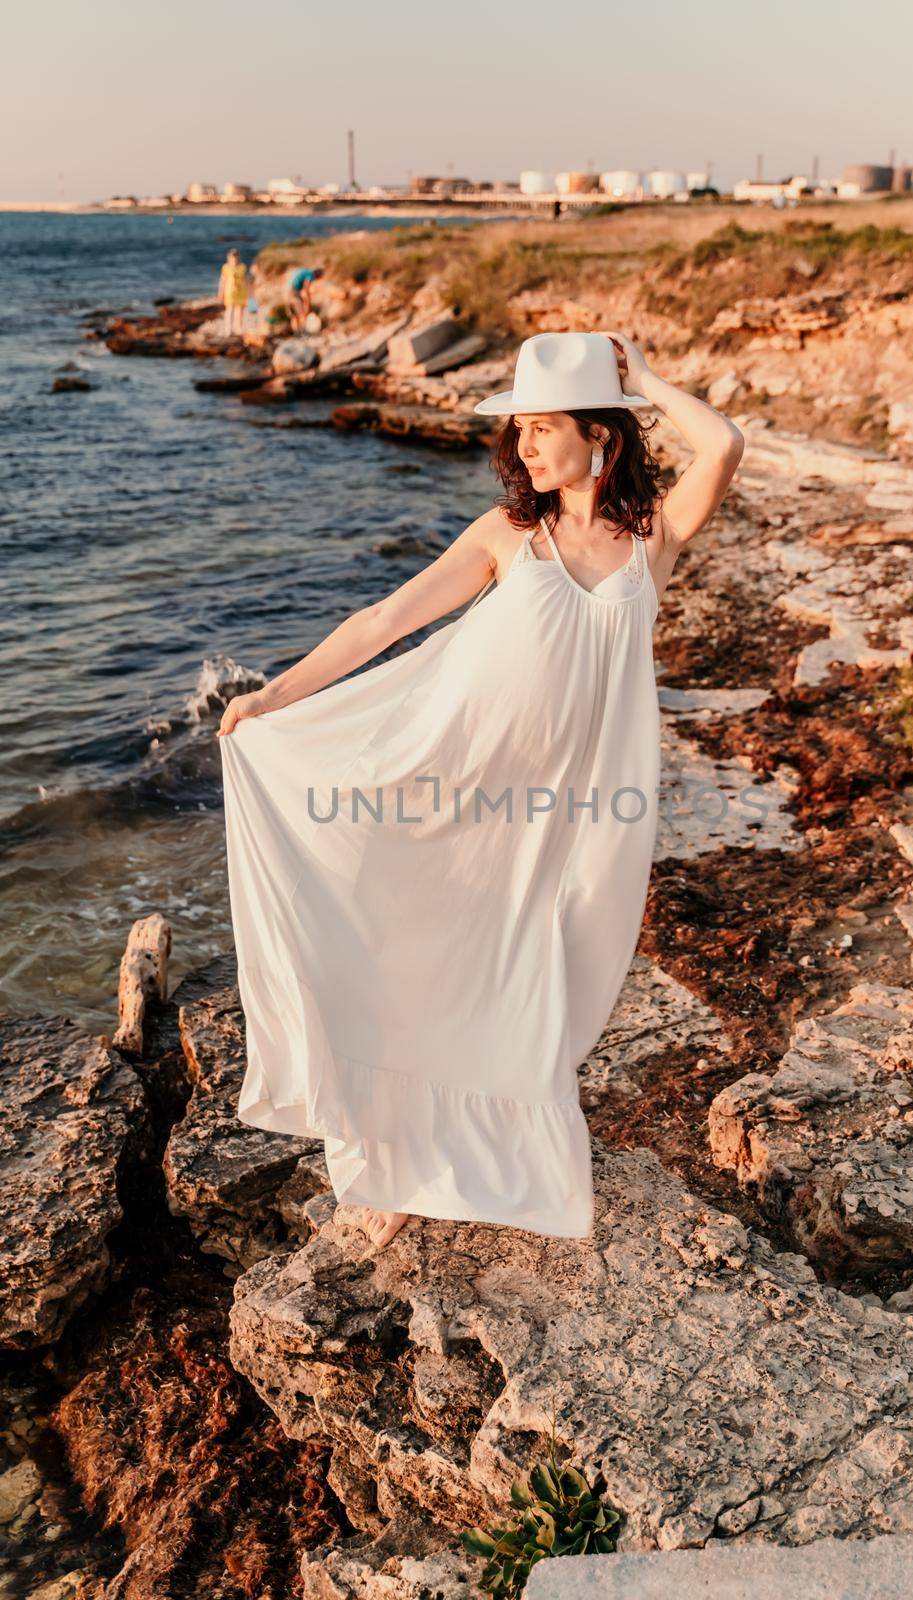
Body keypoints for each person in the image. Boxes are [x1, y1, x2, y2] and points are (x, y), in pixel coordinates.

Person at [216, 330, 744, 1254]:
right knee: (423, 958)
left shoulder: (648, 541)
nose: (525, 448)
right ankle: (388, 1162)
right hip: (452, 787)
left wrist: (646, 377)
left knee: (545, 980)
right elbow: (386, 619)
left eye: (544, 429)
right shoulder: (508, 536)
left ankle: (470, 1151)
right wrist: (275, 695)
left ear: (603, 438)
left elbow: (724, 445)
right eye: (521, 432)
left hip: (583, 809)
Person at [217, 248, 249, 337]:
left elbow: (246, 280)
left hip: (241, 291)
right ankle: (228, 329)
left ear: (238, 257)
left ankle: (238, 328)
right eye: (232, 257)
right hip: (229, 291)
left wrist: (250, 292)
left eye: (236, 257)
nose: (234, 259)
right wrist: (220, 292)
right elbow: (222, 281)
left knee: (240, 311)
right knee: (229, 310)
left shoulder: (243, 267)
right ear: (229, 258)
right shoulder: (225, 267)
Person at [287, 264, 323, 332]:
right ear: (318, 274)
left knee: (294, 314)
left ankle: (296, 332)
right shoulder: (310, 275)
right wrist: (307, 300)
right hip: (294, 292)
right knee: (301, 312)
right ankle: (303, 331)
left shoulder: (306, 271)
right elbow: (306, 287)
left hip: (288, 291)